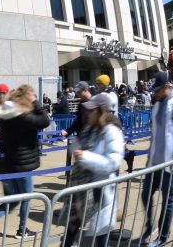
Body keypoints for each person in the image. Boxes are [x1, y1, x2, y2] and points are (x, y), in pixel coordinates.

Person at [0, 84, 50, 240]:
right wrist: (36, 103)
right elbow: (45, 121)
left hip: (10, 162)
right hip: (22, 164)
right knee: (26, 198)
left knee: (14, 199)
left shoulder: (7, 115)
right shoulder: (22, 116)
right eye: (32, 96)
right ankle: (22, 230)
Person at [63, 92, 124, 247]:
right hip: (82, 189)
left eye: (91, 110)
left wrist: (85, 156)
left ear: (100, 111)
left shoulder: (112, 132)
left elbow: (113, 162)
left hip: (99, 192)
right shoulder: (89, 129)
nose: (86, 113)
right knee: (71, 229)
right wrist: (76, 148)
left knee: (101, 234)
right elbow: (79, 149)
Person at [140, 72, 173, 247]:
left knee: (167, 199)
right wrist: (150, 157)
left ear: (167, 87)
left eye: (157, 90)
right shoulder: (157, 105)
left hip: (170, 163)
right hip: (154, 162)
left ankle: (162, 236)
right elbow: (155, 134)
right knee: (146, 194)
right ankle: (150, 225)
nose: (154, 94)